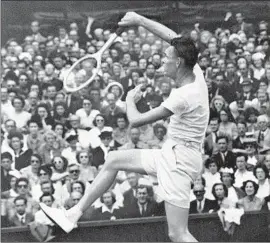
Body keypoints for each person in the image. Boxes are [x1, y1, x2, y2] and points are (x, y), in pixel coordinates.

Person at [40, 11, 209, 242]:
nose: (162, 57)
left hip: (179, 162)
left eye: (166, 56)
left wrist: (130, 100)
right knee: (113, 160)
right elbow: (171, 37)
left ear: (178, 62)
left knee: (178, 233)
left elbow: (137, 120)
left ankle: (72, 215)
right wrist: (139, 20)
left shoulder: (183, 96)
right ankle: (72, 215)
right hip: (173, 154)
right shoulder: (195, 72)